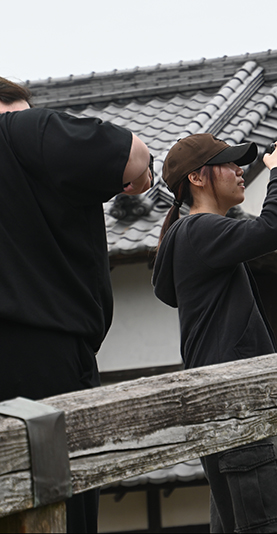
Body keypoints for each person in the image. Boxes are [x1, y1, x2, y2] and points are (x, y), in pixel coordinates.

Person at [0, 76, 152, 533]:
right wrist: (137, 177)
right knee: (60, 506)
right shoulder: (23, 131)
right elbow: (136, 157)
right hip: (43, 358)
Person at [152, 134, 277, 533]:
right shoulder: (199, 231)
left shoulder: (192, 235)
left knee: (239, 524)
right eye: (230, 164)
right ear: (198, 178)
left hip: (225, 404)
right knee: (273, 526)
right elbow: (273, 229)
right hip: (239, 404)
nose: (241, 171)